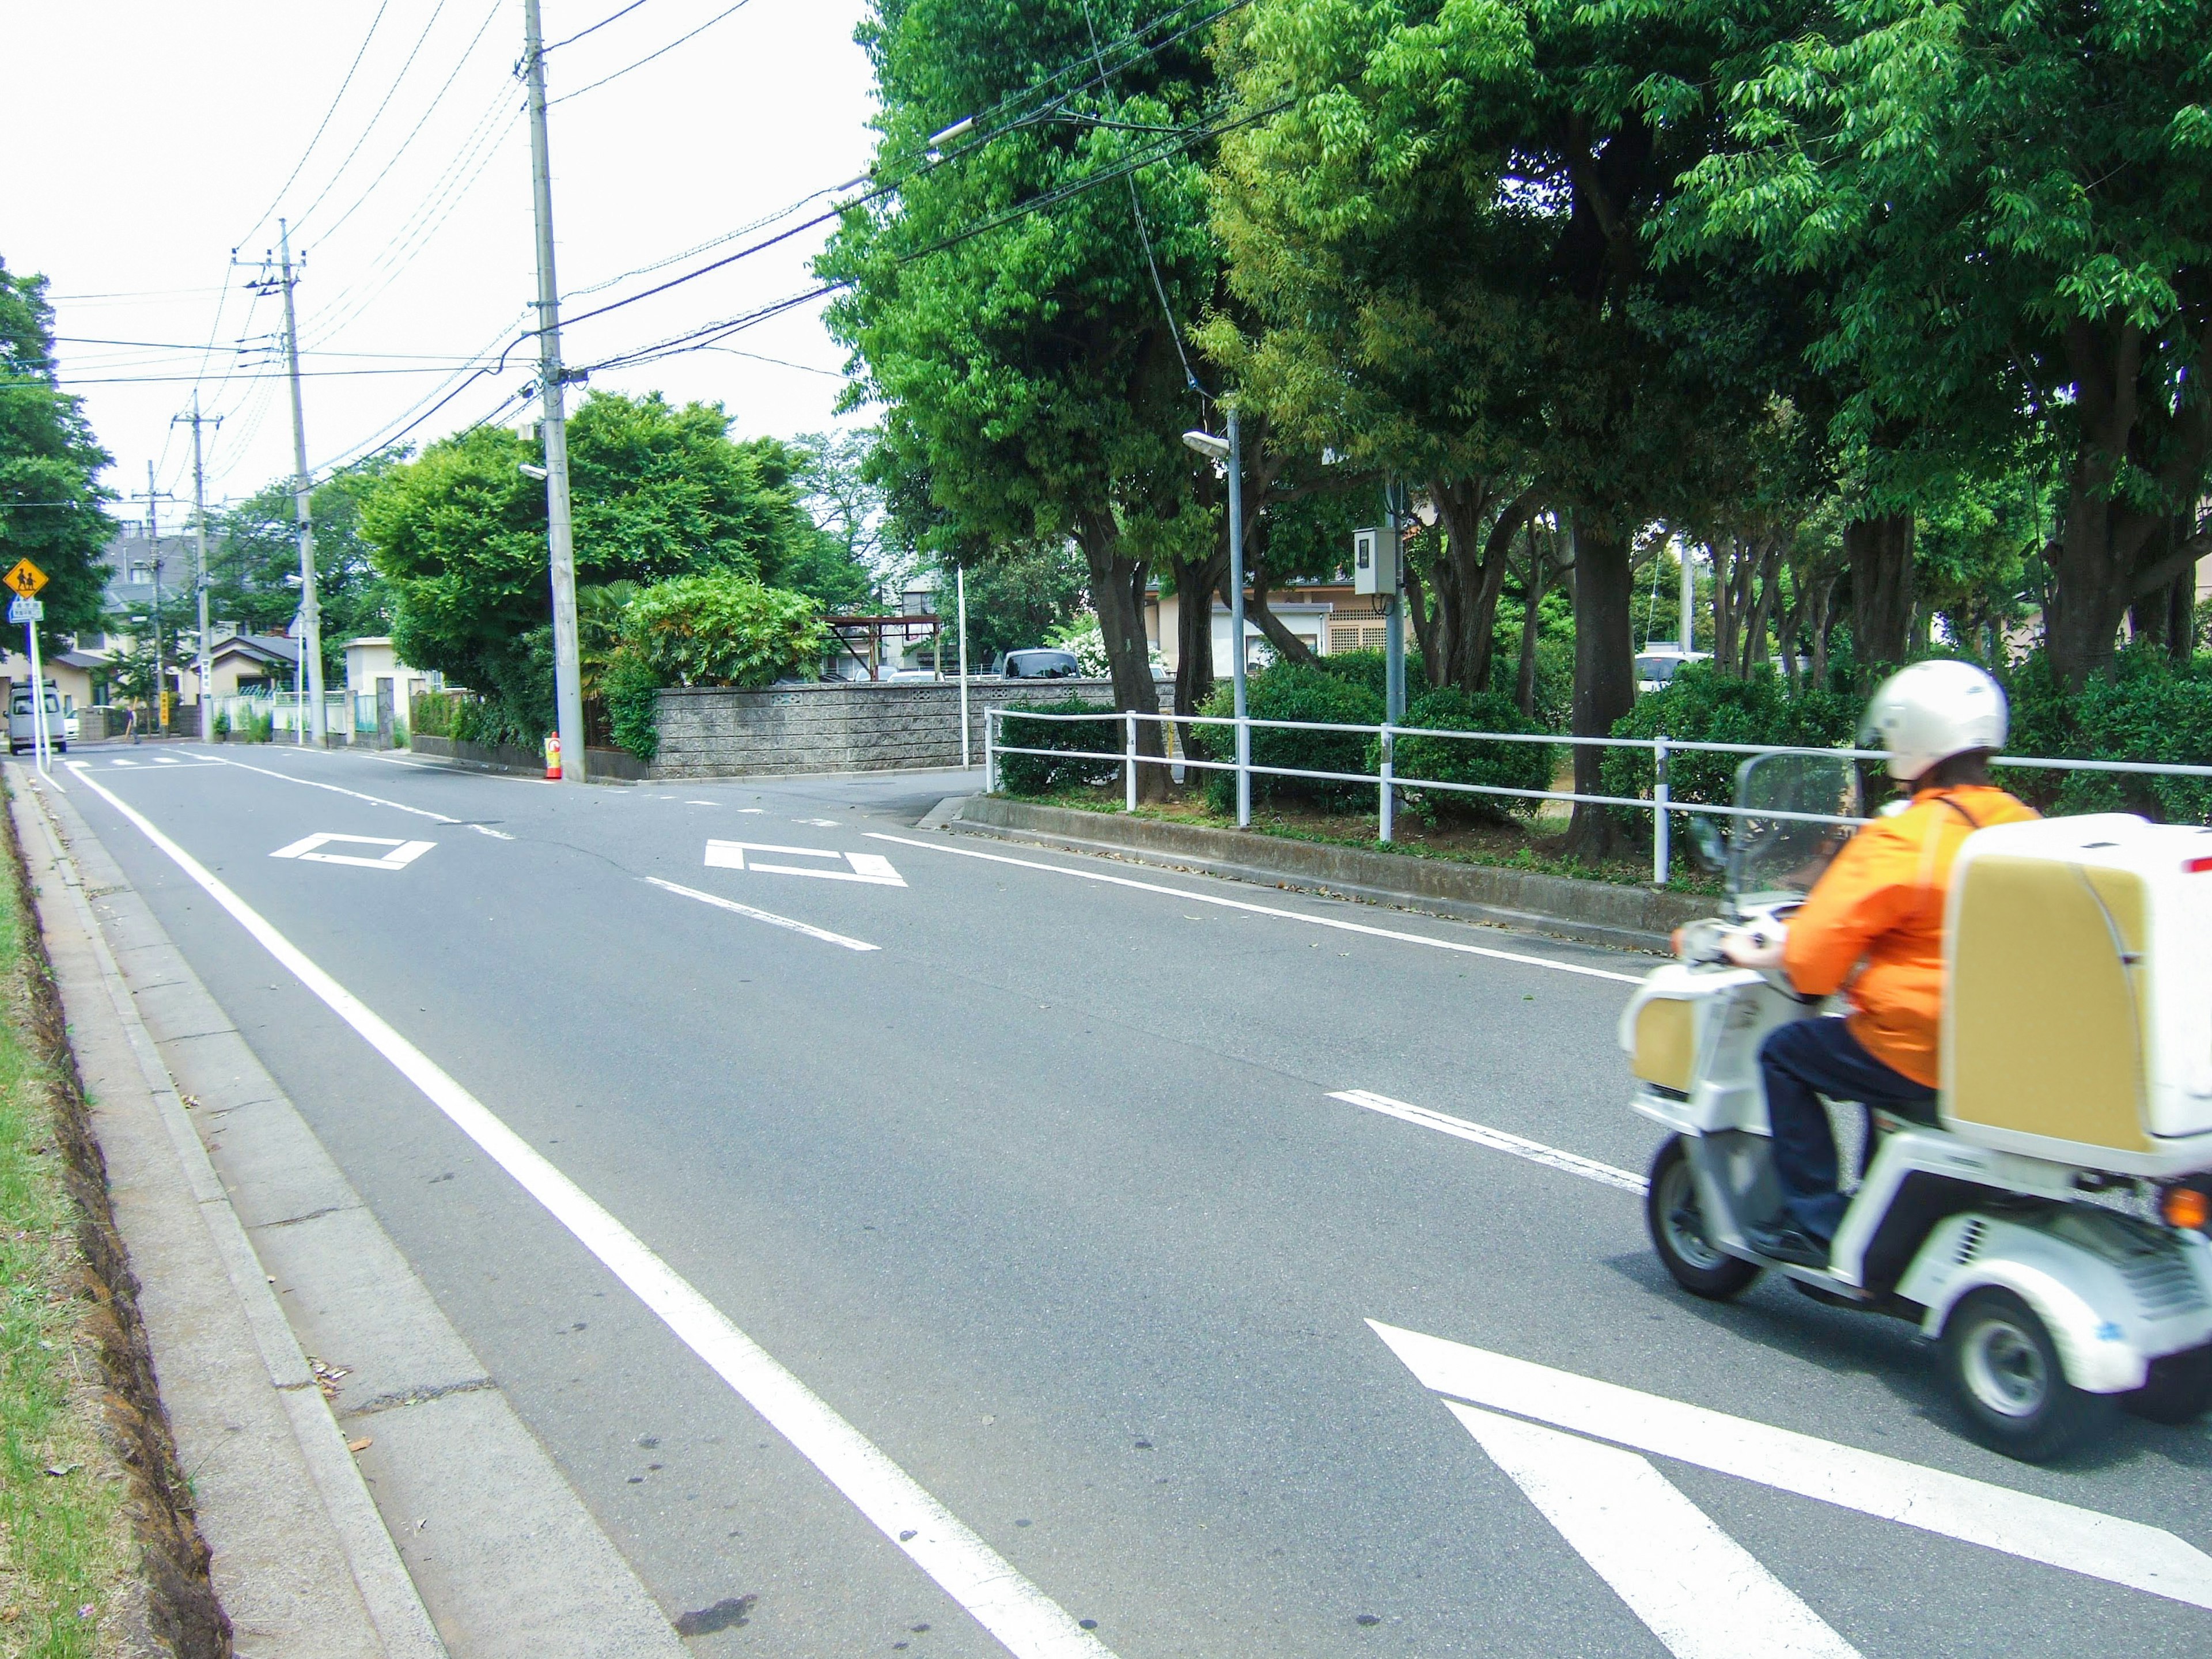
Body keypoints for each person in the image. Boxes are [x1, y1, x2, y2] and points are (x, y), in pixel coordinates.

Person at [1725, 661, 2038, 1267]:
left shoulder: (1903, 838)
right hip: (1999, 1050)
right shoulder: (2022, 822)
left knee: (1786, 1052)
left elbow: (1813, 965)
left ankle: (1815, 1220)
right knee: (1867, 1049)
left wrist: (1749, 949)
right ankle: (1880, 1196)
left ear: (1911, 739)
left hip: (1920, 1048)